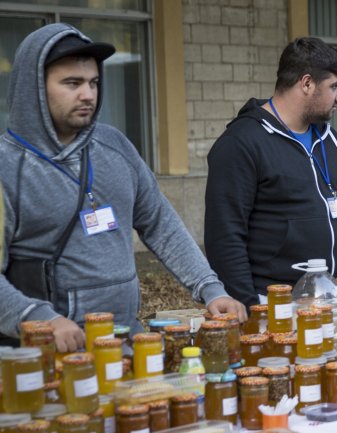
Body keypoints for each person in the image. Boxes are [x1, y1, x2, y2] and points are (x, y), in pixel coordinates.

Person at [0, 23, 246, 353]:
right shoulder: (8, 168)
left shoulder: (114, 146)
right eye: (72, 83)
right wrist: (37, 317)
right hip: (48, 356)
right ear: (35, 88)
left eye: (93, 82)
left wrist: (210, 288)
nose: (87, 94)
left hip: (127, 345)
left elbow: (160, 223)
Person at [205, 37, 337, 307]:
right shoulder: (241, 143)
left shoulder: (331, 140)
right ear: (306, 83)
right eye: (334, 86)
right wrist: (251, 310)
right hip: (276, 309)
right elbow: (225, 237)